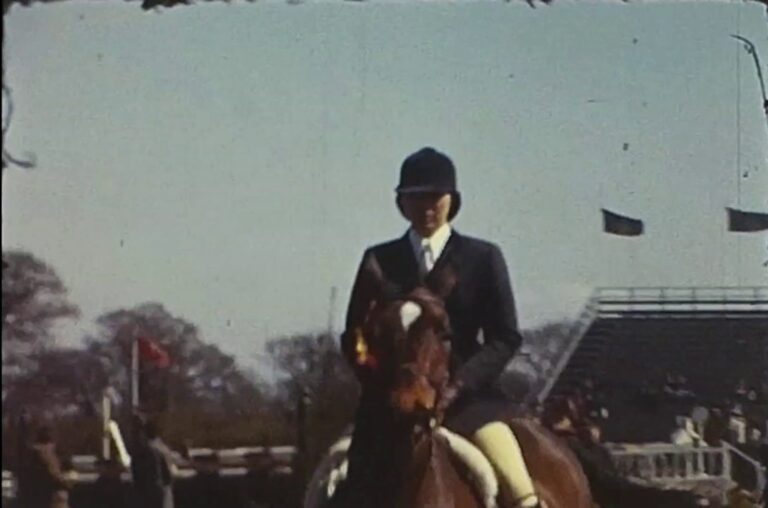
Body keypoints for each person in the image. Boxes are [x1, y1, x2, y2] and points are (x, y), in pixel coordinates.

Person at [342, 147, 540, 507]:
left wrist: (459, 383)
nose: (427, 207)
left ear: (452, 201)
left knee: (518, 484)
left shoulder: (482, 257)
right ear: (401, 203)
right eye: (416, 198)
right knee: (326, 484)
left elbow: (505, 336)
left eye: (435, 197)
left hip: (467, 400)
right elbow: (354, 335)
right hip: (390, 406)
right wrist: (383, 380)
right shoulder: (379, 260)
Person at [17, 425, 72, 508]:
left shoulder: (30, 457)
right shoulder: (50, 455)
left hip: (36, 496)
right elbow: (57, 476)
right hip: (48, 495)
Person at [129, 415, 175, 508]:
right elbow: (168, 476)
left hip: (150, 495)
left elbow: (137, 477)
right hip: (160, 493)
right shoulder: (162, 448)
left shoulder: (148, 451)